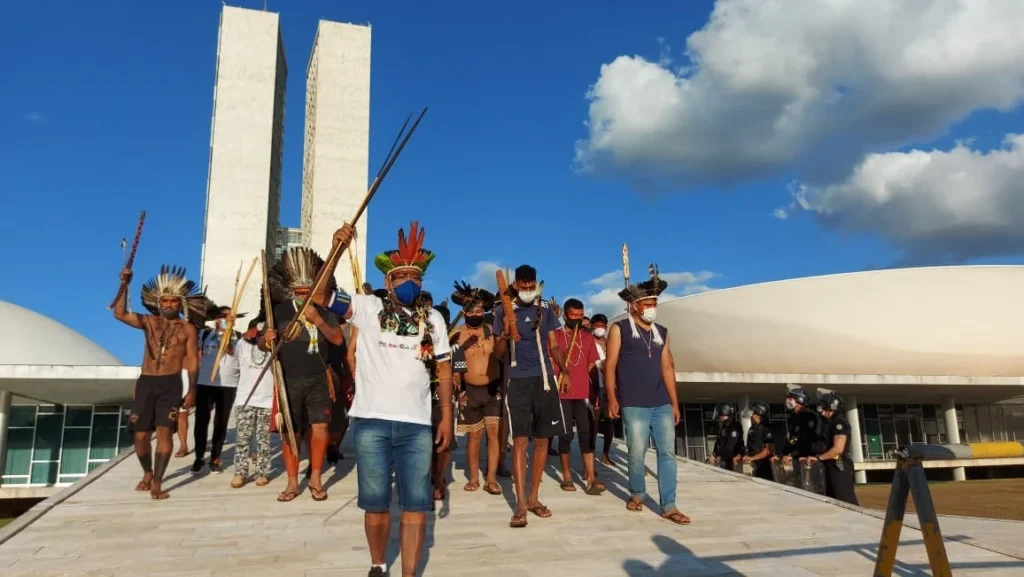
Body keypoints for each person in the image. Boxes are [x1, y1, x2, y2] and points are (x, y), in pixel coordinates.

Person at [325, 221, 453, 577]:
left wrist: (446, 415)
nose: (409, 282)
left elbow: (444, 369)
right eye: (401, 276)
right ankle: (378, 564)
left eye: (416, 276)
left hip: (417, 426)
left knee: (416, 505)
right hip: (372, 422)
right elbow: (320, 297)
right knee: (376, 504)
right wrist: (336, 250)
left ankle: (409, 573)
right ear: (388, 280)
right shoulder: (366, 307)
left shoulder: (435, 320)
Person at [605, 264, 690, 525]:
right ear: (635, 306)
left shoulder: (662, 332)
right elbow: (610, 365)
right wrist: (612, 398)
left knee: (667, 453)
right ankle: (637, 494)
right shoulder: (619, 329)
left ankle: (669, 505)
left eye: (654, 303)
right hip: (633, 403)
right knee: (636, 452)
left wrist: (674, 403)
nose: (652, 308)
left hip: (661, 402)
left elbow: (668, 367)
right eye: (647, 304)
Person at [113, 265, 207, 499]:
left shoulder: (188, 329)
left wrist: (192, 390)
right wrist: (124, 284)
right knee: (141, 436)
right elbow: (119, 313)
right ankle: (147, 472)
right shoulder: (148, 321)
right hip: (147, 382)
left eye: (173, 301)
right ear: (158, 302)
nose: (169, 305)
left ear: (180, 303)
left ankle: (157, 481)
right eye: (165, 301)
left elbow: (192, 360)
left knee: (165, 433)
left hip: (171, 384)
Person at [260, 246, 344, 502]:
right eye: (299, 292)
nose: (304, 296)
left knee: (320, 427)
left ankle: (316, 478)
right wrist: (267, 339)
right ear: (291, 290)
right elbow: (263, 343)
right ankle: (292, 482)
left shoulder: (325, 310)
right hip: (289, 379)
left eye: (308, 291)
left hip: (319, 378)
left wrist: (318, 321)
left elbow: (338, 339)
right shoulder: (279, 310)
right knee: (291, 431)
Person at [492, 264, 568, 528]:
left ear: (536, 284)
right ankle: (520, 504)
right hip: (518, 380)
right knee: (520, 441)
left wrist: (564, 370)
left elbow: (554, 345)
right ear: (515, 285)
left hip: (544, 379)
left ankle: (534, 497)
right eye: (522, 286)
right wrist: (504, 332)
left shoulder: (545, 309)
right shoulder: (503, 310)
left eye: (530, 286)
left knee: (544, 439)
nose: (527, 290)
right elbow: (498, 353)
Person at [450, 281, 502, 495]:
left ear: (484, 311)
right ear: (464, 312)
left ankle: (491, 478)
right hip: (469, 391)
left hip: (493, 389)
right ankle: (473, 477)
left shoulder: (493, 331)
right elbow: (455, 365)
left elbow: (502, 357)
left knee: (493, 434)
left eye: (479, 310)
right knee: (474, 436)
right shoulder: (457, 334)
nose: (475, 314)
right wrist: (458, 389)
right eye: (471, 311)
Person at [553, 298, 605, 495]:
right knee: (566, 434)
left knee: (586, 434)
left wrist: (596, 390)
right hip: (562, 392)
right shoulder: (556, 335)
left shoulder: (587, 337)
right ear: (565, 315)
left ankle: (591, 478)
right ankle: (566, 475)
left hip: (583, 392)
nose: (577, 319)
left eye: (580, 315)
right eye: (573, 315)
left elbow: (592, 365)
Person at [192, 305, 242, 474]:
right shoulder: (205, 334)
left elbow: (231, 352)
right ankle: (199, 457)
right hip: (205, 382)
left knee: (221, 421)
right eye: (222, 316)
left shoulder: (238, 337)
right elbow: (195, 353)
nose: (226, 319)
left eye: (229, 317)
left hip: (228, 384)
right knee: (201, 420)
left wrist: (226, 334)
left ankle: (215, 457)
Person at [231, 318, 274, 488]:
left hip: (267, 399)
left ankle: (263, 472)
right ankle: (240, 472)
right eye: (256, 331)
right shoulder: (242, 344)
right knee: (243, 438)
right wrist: (227, 331)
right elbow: (229, 352)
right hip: (245, 398)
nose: (258, 335)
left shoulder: (273, 345)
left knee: (264, 439)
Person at [814, 392, 859, 504]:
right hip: (829, 464)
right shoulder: (828, 423)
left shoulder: (839, 423)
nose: (822, 412)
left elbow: (838, 449)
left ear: (833, 408)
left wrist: (819, 458)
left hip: (838, 464)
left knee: (844, 498)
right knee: (831, 499)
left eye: (825, 409)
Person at [589, 314, 616, 464]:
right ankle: (590, 458)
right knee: (594, 423)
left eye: (602, 326)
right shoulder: (588, 343)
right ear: (592, 327)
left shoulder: (610, 344)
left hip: (611, 386)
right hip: (595, 386)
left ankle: (606, 454)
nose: (600, 328)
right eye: (597, 325)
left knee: (610, 421)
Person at [741, 401, 775, 480]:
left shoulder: (766, 428)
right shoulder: (753, 428)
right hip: (755, 465)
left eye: (753, 412)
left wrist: (752, 458)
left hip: (764, 466)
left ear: (758, 413)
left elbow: (769, 449)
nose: (751, 415)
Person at [709, 402, 744, 470]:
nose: (719, 416)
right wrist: (714, 454)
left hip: (732, 460)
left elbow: (730, 445)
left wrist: (717, 455)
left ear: (724, 411)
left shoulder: (734, 426)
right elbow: (719, 442)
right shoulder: (723, 426)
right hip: (723, 459)